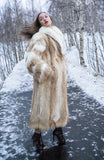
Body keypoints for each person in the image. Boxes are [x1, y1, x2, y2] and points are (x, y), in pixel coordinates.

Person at [20, 12, 69, 150]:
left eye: (46, 17)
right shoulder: (40, 36)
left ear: (51, 18)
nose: (44, 19)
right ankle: (37, 137)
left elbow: (61, 56)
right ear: (39, 23)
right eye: (41, 19)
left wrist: (62, 69)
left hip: (58, 79)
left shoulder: (56, 33)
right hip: (46, 79)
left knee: (58, 105)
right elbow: (31, 59)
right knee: (42, 109)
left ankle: (58, 131)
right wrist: (46, 70)